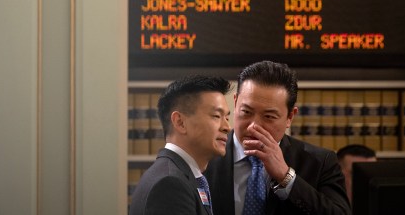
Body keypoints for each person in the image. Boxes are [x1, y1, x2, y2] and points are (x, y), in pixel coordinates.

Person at [204, 61, 351, 214]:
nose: (253, 126)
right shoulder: (203, 153)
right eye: (246, 112)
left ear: (290, 117)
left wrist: (286, 177)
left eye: (268, 116)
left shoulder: (320, 162)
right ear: (235, 103)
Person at [130, 75, 233, 215]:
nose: (227, 127)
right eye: (216, 116)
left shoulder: (179, 175)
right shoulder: (170, 184)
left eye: (226, 118)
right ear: (180, 122)